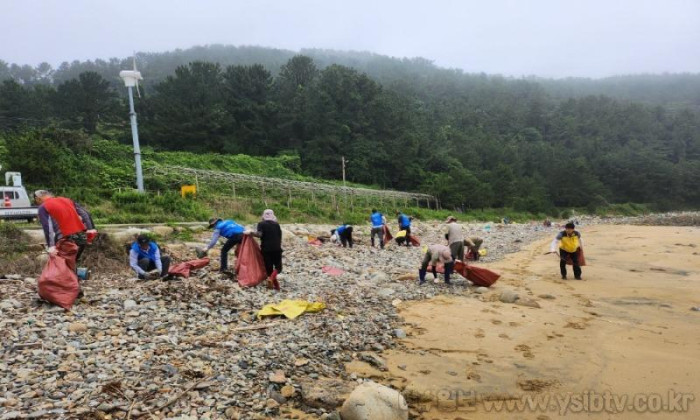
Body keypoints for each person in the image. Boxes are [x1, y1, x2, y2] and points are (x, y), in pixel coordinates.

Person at [35, 190, 95, 267]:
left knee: (60, 262)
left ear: (38, 198)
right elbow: (85, 213)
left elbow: (47, 227)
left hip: (65, 237)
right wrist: (91, 230)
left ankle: (63, 276)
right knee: (72, 261)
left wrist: (51, 246)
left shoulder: (43, 207)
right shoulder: (66, 200)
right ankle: (73, 275)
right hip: (81, 236)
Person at [253, 209, 282, 290]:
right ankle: (275, 285)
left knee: (269, 269)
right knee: (278, 268)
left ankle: (275, 286)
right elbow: (279, 237)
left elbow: (259, 235)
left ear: (263, 216)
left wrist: (251, 233)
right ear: (273, 216)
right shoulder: (277, 225)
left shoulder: (261, 224)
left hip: (265, 249)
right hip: (276, 249)